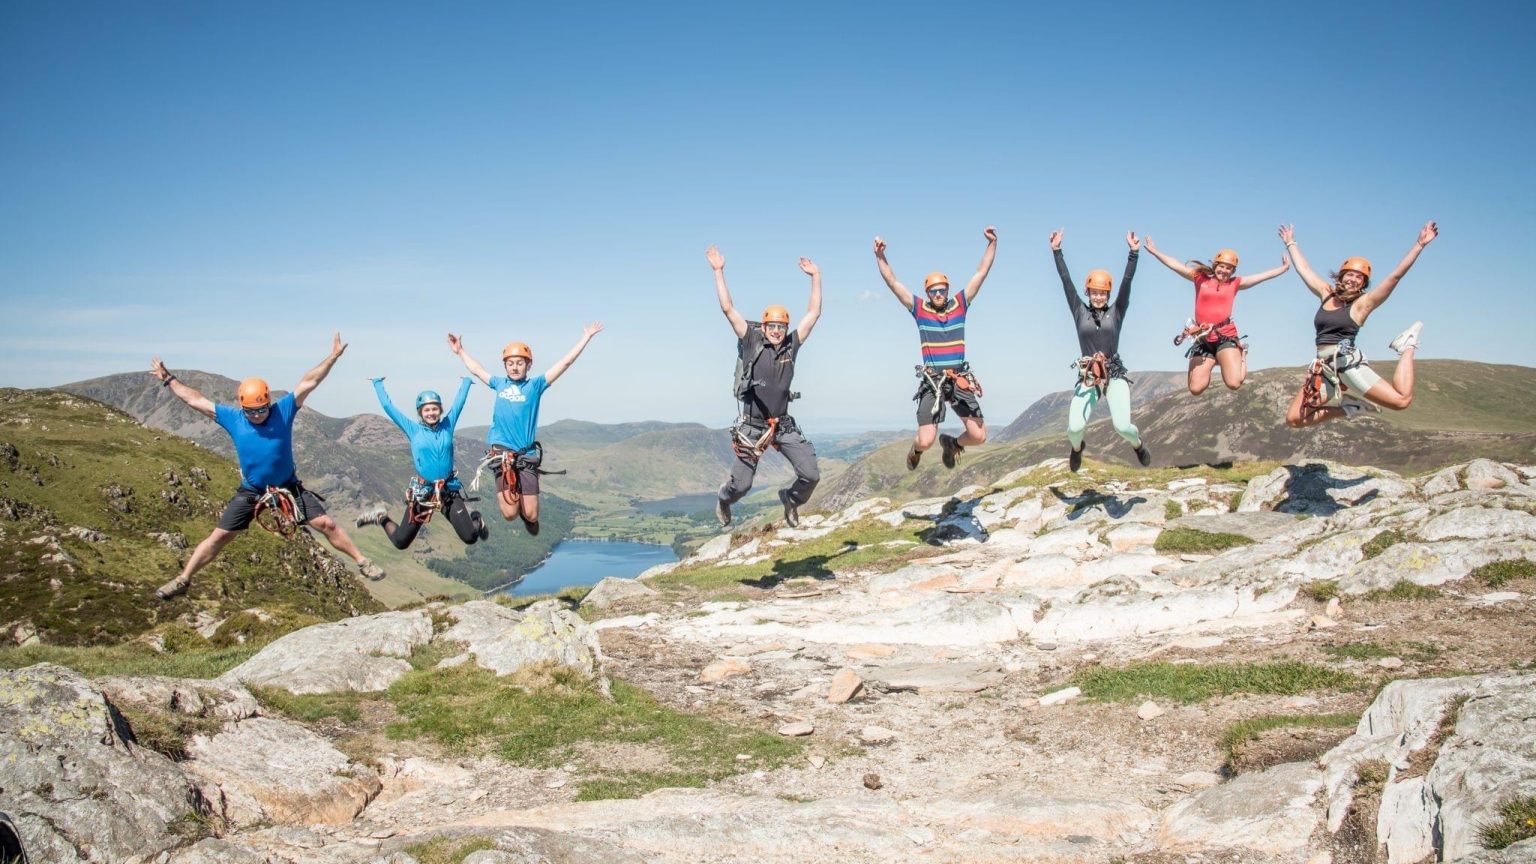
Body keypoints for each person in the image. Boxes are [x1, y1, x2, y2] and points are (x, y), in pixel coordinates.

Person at [149, 333, 384, 600]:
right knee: (219, 537)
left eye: (262, 409)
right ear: (243, 407)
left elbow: (309, 382)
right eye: (252, 411)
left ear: (268, 402)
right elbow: (195, 400)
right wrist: (169, 379)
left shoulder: (282, 411)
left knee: (326, 524)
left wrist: (331, 358)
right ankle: (183, 579)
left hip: (288, 487)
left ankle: (363, 561)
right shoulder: (233, 418)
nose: (258, 415)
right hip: (252, 491)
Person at [706, 244, 823, 528]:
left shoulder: (791, 347)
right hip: (752, 427)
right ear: (763, 326)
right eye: (771, 326)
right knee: (741, 486)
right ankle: (724, 498)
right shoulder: (751, 342)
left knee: (811, 475)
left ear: (785, 328)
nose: (775, 330)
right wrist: (719, 272)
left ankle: (791, 499)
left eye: (781, 327)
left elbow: (814, 313)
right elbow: (727, 309)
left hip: (782, 425)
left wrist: (815, 276)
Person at [1279, 221, 1438, 428]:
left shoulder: (1362, 304)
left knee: (1401, 401)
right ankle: (1350, 409)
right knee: (1294, 419)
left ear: (1364, 284)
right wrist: (1291, 243)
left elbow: (1395, 276)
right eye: (1350, 274)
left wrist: (1419, 244)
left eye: (1360, 278)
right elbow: (1304, 270)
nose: (1354, 279)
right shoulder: (1327, 294)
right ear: (1341, 276)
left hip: (1348, 366)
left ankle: (1407, 345)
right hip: (1325, 368)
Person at [449, 324, 602, 534]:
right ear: (505, 367)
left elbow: (565, 363)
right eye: (510, 363)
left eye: (520, 363)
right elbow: (476, 369)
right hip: (501, 455)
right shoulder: (498, 383)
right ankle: (515, 501)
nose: (514, 367)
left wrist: (586, 338)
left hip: (526, 454)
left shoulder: (535, 385)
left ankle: (527, 513)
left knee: (531, 515)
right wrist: (460, 351)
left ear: (528, 365)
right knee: (510, 515)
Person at [873, 226, 997, 471]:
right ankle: (916, 449)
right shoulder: (920, 310)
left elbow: (981, 272)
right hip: (933, 382)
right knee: (926, 440)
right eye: (933, 291)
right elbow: (893, 283)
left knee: (979, 436)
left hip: (958, 379)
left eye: (941, 290)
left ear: (947, 291)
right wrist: (880, 256)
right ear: (928, 293)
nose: (938, 294)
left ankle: (952, 444)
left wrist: (992, 243)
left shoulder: (960, 305)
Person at [1052, 229, 1152, 472]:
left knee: (1122, 426)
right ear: (1088, 293)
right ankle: (1077, 449)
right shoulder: (1079, 311)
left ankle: (1138, 445)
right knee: (1074, 429)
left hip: (1114, 374)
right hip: (1089, 376)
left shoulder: (1116, 311)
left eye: (1103, 293)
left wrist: (1134, 253)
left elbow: (1127, 283)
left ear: (1108, 294)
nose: (1098, 297)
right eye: (1094, 292)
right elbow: (1066, 282)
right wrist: (1057, 251)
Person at [356, 370, 488, 549]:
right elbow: (389, 408)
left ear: (440, 410)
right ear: (420, 412)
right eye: (427, 410)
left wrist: (466, 382)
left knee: (470, 537)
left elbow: (459, 403)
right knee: (401, 542)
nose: (431, 413)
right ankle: (381, 517)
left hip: (448, 490)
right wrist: (378, 384)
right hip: (424, 491)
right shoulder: (413, 430)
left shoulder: (447, 425)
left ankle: (476, 519)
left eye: (435, 409)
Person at [1142, 239, 1291, 394]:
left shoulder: (1235, 283)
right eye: (1221, 266)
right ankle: (1215, 360)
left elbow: (1261, 276)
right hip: (1202, 338)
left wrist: (1283, 268)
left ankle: (1240, 353)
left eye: (1229, 268)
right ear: (1215, 266)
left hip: (1225, 336)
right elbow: (1176, 265)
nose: (1224, 271)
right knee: (1195, 388)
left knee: (1234, 383)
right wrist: (1155, 251)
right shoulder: (1200, 278)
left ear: (1233, 271)